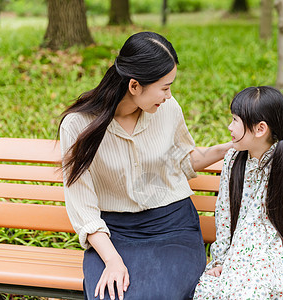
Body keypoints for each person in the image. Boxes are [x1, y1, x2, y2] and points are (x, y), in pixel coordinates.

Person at [59, 31, 232, 300]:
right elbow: (83, 207)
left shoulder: (168, 108)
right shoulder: (77, 126)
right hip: (114, 233)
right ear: (134, 86)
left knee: (161, 295)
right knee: (109, 295)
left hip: (172, 226)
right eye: (164, 87)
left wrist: (231, 147)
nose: (169, 95)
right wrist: (113, 261)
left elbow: (184, 160)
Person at [193, 86, 283, 299]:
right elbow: (224, 212)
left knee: (260, 288)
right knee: (215, 290)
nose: (229, 127)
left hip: (275, 253)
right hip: (239, 254)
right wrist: (219, 260)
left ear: (260, 129)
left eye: (235, 120)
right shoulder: (233, 160)